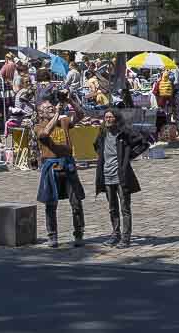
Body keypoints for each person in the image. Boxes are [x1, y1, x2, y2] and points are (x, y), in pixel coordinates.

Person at [91, 108, 148, 247]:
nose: (108, 119)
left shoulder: (124, 133)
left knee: (125, 208)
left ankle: (126, 238)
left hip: (121, 176)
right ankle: (115, 234)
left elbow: (143, 143)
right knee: (112, 208)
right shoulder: (103, 133)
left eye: (110, 117)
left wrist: (129, 155)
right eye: (106, 117)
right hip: (107, 174)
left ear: (116, 119)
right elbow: (96, 146)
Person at [35, 94, 86, 248]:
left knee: (76, 203)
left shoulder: (64, 121)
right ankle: (52, 236)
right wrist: (57, 113)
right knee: (51, 204)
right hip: (51, 167)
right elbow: (45, 134)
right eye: (47, 108)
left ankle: (79, 233)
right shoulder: (38, 126)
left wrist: (70, 100)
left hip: (67, 165)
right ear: (40, 113)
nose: (51, 107)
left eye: (52, 106)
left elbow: (81, 115)